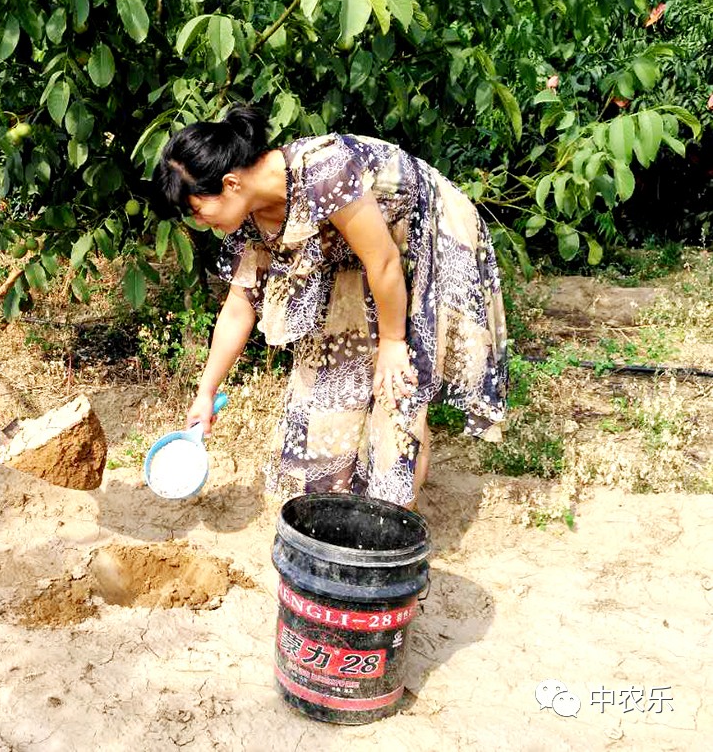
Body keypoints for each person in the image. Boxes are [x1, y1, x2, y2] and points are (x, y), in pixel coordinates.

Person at [156, 106, 508, 508]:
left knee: (398, 386)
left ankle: (390, 519)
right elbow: (239, 307)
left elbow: (385, 262)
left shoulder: (324, 170)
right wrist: (206, 391)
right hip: (361, 259)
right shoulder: (248, 219)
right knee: (327, 383)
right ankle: (337, 510)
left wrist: (393, 343)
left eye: (199, 210)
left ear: (231, 183)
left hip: (422, 237)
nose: (201, 223)